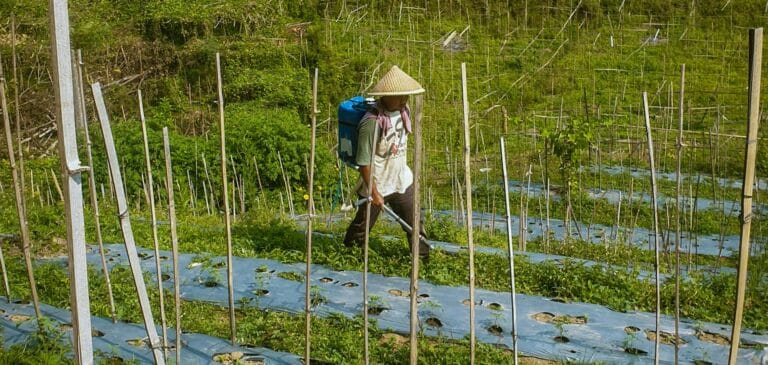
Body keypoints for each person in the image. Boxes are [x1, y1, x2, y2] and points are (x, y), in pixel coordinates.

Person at [343, 65, 430, 260]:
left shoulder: (403, 110)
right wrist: (374, 193)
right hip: (377, 182)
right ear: (386, 96)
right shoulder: (371, 123)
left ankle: (423, 261)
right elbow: (363, 162)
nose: (404, 99)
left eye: (406, 95)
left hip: (401, 179)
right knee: (361, 228)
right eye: (399, 96)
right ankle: (349, 257)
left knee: (415, 224)